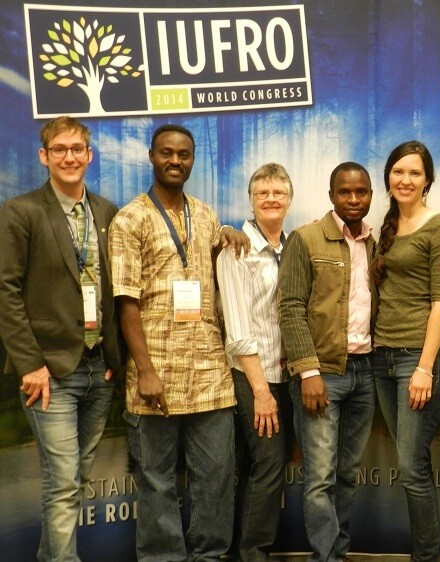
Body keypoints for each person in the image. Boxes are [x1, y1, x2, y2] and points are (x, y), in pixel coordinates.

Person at [109, 123, 247, 561]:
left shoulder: (205, 215)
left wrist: (231, 233)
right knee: (157, 479)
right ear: (152, 156)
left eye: (184, 154)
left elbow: (208, 268)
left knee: (216, 476)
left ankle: (209, 555)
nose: (175, 161)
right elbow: (126, 302)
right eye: (167, 153)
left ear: (192, 159)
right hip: (157, 375)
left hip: (209, 374)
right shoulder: (130, 218)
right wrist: (145, 370)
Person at [0, 116, 122, 561]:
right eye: (59, 149)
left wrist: (113, 353)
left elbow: (115, 290)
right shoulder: (22, 211)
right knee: (65, 481)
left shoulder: (107, 212)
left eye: (77, 149)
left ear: (89, 155)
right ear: (44, 157)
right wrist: (31, 364)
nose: (69, 156)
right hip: (49, 371)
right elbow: (6, 291)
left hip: (98, 370)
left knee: (71, 480)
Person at [278, 162, 376, 562]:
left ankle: (340, 551)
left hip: (365, 372)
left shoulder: (375, 241)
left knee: (347, 475)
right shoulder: (306, 238)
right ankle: (326, 557)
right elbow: (290, 306)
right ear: (332, 195)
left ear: (370, 195)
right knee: (319, 478)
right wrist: (309, 371)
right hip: (324, 374)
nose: (354, 200)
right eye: (345, 192)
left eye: (362, 192)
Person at [371, 141, 440, 562]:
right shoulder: (385, 227)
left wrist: (425, 367)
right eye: (398, 172)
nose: (405, 180)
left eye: (414, 173)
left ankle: (426, 557)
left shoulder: (439, 227)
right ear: (388, 178)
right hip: (380, 357)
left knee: (411, 466)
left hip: (419, 360)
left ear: (427, 181)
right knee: (411, 464)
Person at [216, 163, 294, 562]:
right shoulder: (236, 250)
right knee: (267, 465)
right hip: (253, 375)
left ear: (289, 199)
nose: (271, 199)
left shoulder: (291, 247)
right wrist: (261, 391)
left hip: (287, 373)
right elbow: (238, 328)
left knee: (257, 466)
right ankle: (254, 553)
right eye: (262, 193)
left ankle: (242, 551)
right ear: (251, 199)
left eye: (278, 192)